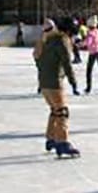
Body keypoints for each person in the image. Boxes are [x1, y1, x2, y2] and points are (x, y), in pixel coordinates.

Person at [36, 17, 80, 158]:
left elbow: (37, 57)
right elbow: (67, 62)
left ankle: (51, 139)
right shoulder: (63, 40)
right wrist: (73, 81)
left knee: (55, 110)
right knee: (62, 111)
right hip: (55, 82)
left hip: (43, 82)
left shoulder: (47, 39)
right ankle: (62, 142)